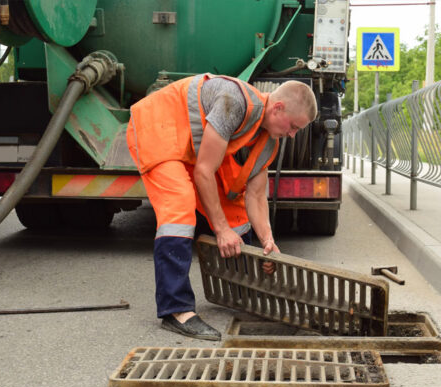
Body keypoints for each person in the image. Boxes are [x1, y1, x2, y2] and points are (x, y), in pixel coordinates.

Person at [126, 73, 317, 341]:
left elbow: (256, 196)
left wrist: (267, 240)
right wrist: (221, 230)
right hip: (159, 127)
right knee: (179, 209)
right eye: (294, 126)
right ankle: (176, 309)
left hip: (192, 146)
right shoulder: (234, 102)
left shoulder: (267, 142)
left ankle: (242, 291)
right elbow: (205, 171)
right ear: (278, 108)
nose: (293, 135)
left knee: (235, 211)